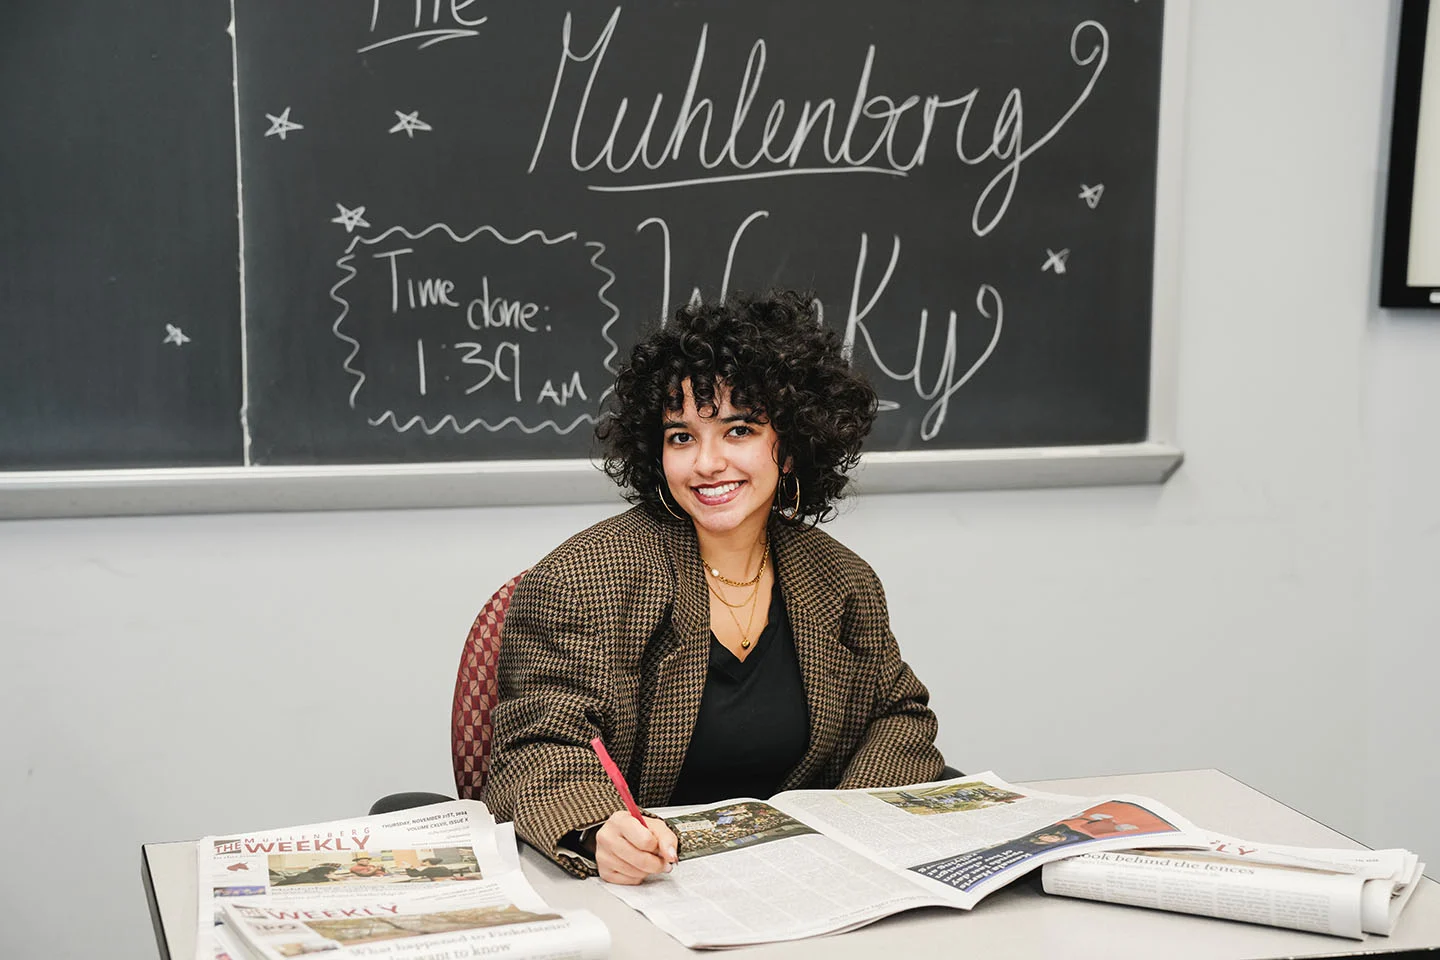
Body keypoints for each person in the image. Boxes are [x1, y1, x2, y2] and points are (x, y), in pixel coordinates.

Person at [483, 290, 946, 884]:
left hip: (809, 883)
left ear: (792, 446)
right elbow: (536, 746)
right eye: (681, 436)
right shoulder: (584, 579)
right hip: (651, 890)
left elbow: (899, 714)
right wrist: (598, 829)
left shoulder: (842, 580)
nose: (706, 462)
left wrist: (847, 824)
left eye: (739, 430)